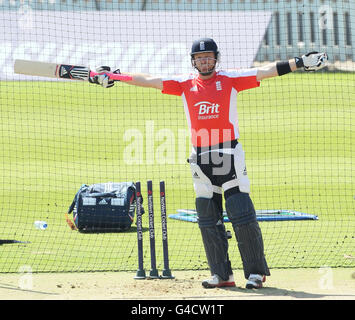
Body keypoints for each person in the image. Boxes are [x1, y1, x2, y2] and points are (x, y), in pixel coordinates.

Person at [89, 38, 328, 289]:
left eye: (209, 56)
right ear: (193, 61)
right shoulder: (184, 83)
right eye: (200, 57)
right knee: (206, 213)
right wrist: (117, 76)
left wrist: (300, 62)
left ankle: (256, 274)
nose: (204, 61)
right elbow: (149, 80)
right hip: (200, 155)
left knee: (240, 211)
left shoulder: (230, 79)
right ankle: (221, 275)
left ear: (216, 58)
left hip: (228, 152)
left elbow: (266, 71)